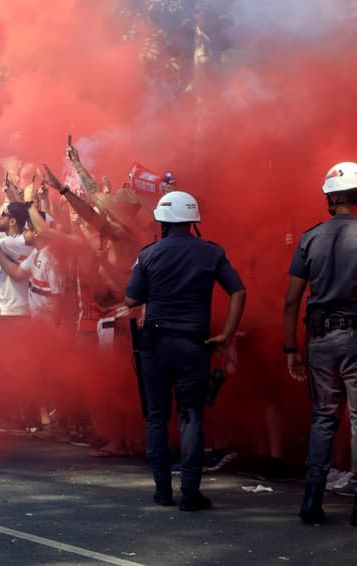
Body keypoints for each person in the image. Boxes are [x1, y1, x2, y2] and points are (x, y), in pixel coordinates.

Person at [284, 161, 357, 527]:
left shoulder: (310, 238)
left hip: (318, 340)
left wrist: (290, 346)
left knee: (323, 416)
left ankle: (311, 499)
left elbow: (292, 299)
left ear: (329, 198)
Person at [124, 190, 246, 511]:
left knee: (156, 418)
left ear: (162, 221)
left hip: (156, 345)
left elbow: (131, 299)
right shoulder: (211, 253)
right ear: (193, 221)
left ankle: (163, 490)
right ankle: (190, 493)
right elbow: (238, 291)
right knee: (191, 417)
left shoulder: (148, 254)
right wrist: (227, 334)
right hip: (194, 345)